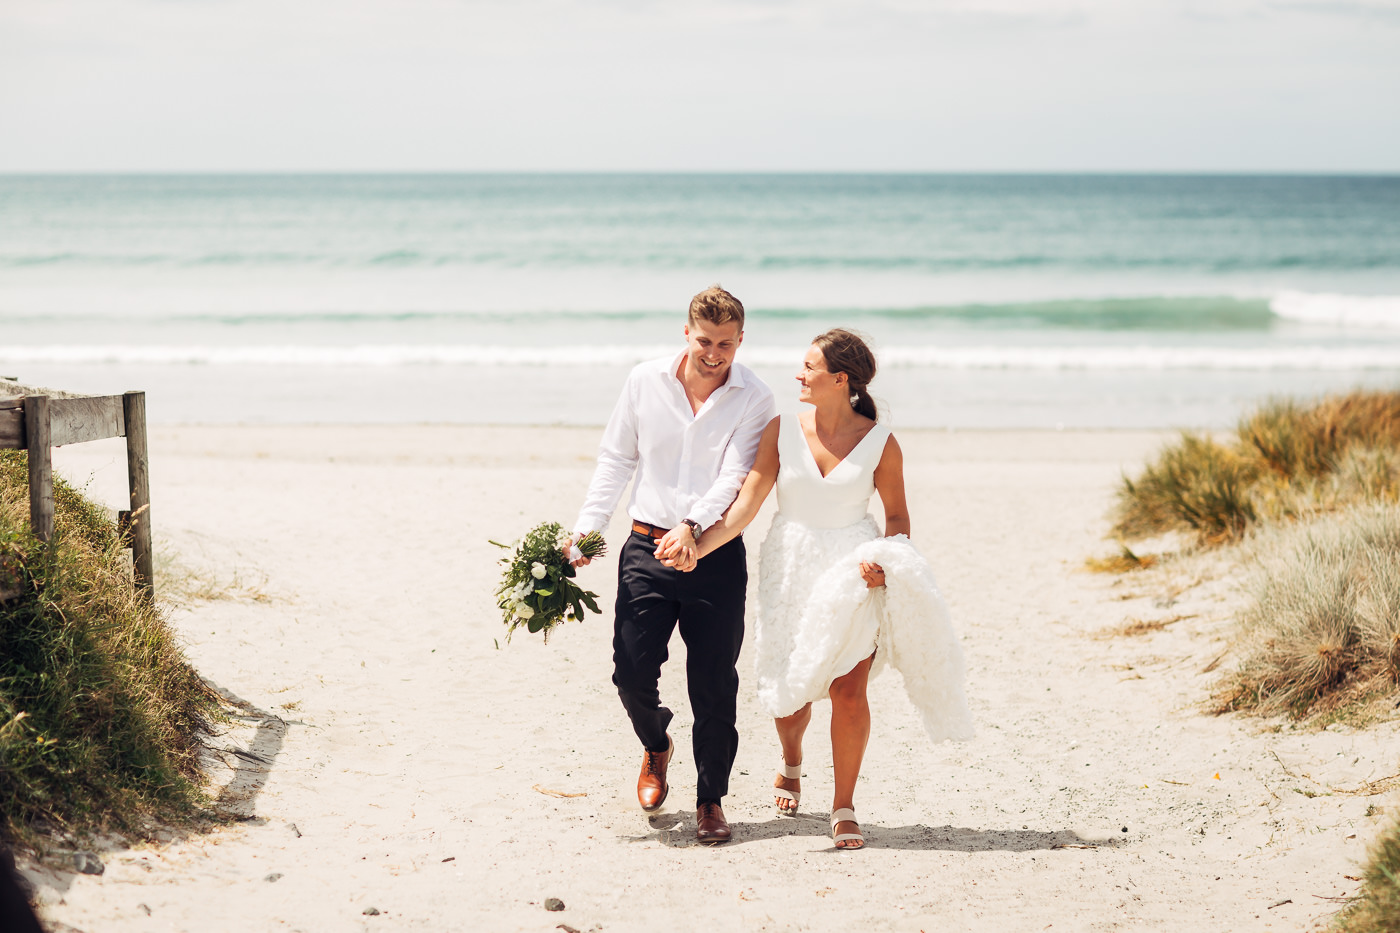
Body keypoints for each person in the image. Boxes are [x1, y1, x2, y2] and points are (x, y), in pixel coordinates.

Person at [663, 328, 972, 849]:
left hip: (855, 566)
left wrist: (888, 562)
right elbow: (747, 505)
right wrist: (697, 544)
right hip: (790, 563)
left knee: (848, 691)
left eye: (809, 367)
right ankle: (791, 762)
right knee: (790, 694)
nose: (799, 375)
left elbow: (896, 516)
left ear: (840, 379)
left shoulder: (881, 442)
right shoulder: (781, 430)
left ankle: (844, 805)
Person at [570, 285, 776, 845]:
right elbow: (617, 458)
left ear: (740, 340)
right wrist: (589, 529)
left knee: (713, 685)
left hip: (712, 555)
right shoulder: (644, 381)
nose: (715, 354)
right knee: (631, 673)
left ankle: (711, 800)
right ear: (686, 334)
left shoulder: (755, 396)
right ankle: (656, 745)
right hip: (644, 549)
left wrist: (693, 528)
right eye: (706, 341)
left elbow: (735, 475)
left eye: (727, 345)